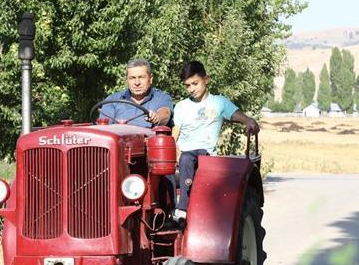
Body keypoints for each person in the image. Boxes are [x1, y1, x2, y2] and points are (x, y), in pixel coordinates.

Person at [172, 61, 259, 222]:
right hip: (185, 154)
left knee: (198, 156)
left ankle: (187, 207)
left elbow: (237, 115)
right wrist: (173, 149)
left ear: (206, 79)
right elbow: (175, 131)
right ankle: (180, 207)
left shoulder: (219, 102)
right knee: (185, 158)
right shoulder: (181, 106)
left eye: (195, 83)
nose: (191, 89)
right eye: (187, 86)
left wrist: (248, 121)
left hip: (207, 155)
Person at [99, 59, 173, 127]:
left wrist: (156, 117)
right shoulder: (113, 100)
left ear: (150, 79)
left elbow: (165, 114)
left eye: (141, 77)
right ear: (127, 80)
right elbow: (103, 127)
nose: (137, 83)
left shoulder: (162, 97)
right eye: (132, 78)